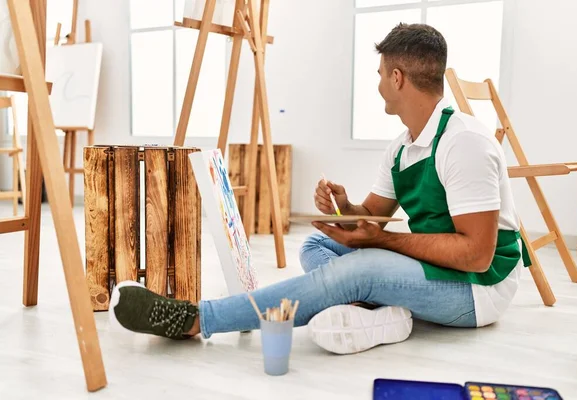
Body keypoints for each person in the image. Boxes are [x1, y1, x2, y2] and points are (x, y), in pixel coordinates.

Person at [109, 22, 529, 355]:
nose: (378, 83)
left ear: (398, 77)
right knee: (316, 248)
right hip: (437, 268)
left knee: (359, 270)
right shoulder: (402, 147)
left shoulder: (463, 141)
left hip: (479, 290)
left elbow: (477, 255)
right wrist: (346, 207)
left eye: (381, 74)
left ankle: (195, 319)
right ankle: (381, 308)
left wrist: (380, 241)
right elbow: (369, 219)